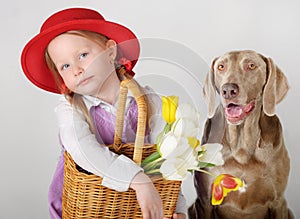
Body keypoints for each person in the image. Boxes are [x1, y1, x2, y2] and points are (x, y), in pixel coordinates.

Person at [21, 7, 186, 219]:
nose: (76, 70)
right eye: (64, 66)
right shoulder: (70, 109)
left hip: (135, 207)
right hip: (85, 205)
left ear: (110, 51)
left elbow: (167, 157)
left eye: (83, 55)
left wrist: (176, 206)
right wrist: (137, 179)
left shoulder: (148, 102)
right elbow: (84, 150)